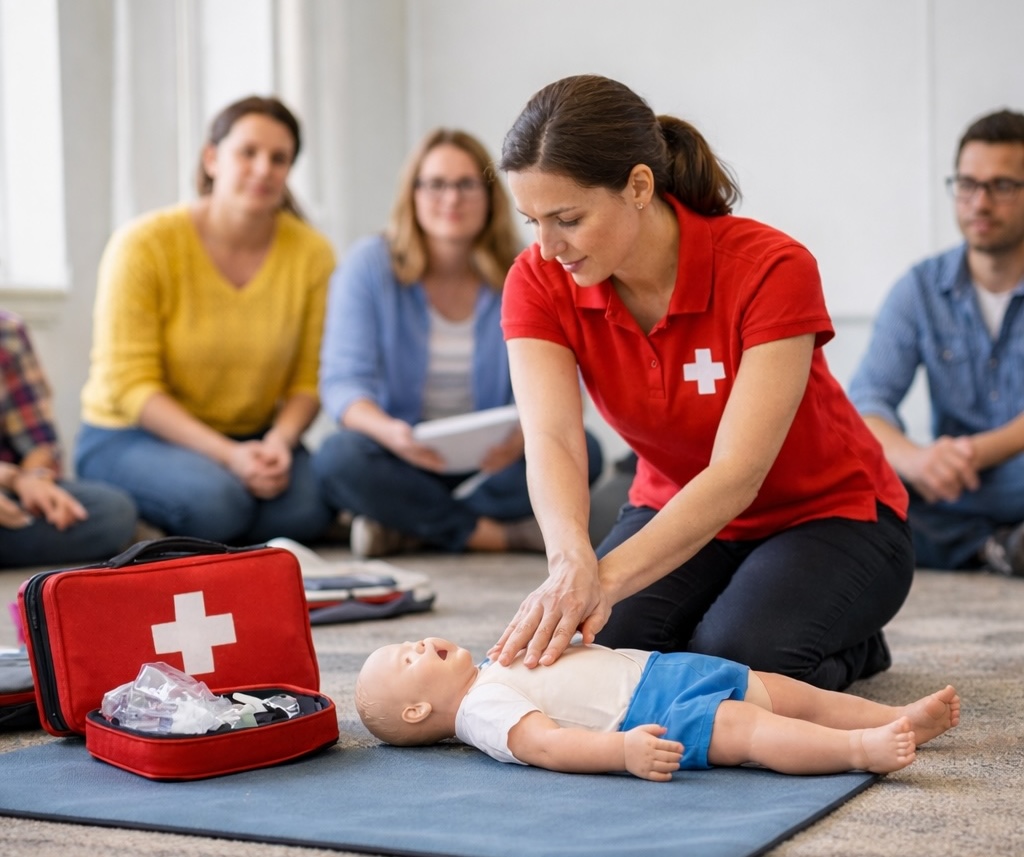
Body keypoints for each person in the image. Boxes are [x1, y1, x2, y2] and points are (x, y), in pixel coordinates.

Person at [490, 74, 914, 691]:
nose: (547, 247)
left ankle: (854, 646)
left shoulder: (771, 268)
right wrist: (569, 563)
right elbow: (553, 438)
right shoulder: (537, 279)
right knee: (597, 652)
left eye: (568, 219)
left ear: (639, 186)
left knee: (737, 660)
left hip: (831, 515)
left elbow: (737, 473)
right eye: (532, 220)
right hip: (671, 507)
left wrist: (597, 584)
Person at [313, 128, 603, 558]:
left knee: (586, 451)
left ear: (490, 197)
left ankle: (412, 527)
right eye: (435, 184)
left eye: (467, 184)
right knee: (338, 459)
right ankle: (493, 535)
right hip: (403, 457)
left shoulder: (525, 271)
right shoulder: (369, 266)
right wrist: (392, 434)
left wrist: (525, 436)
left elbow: (563, 383)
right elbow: (342, 383)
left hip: (494, 461)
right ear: (412, 194)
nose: (451, 198)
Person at [74, 95, 336, 546]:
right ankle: (162, 520)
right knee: (220, 505)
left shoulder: (312, 254)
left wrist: (278, 441)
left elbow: (309, 379)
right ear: (212, 158)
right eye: (247, 152)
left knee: (311, 507)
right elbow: (131, 384)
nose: (263, 169)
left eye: (279, 158)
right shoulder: (143, 244)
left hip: (252, 435)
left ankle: (185, 529)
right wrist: (228, 457)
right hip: (129, 435)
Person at [356, 636, 960, 780]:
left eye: (409, 643)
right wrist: (620, 752)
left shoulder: (489, 668)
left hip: (659, 670)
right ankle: (860, 751)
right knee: (749, 730)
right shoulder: (480, 711)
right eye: (408, 660)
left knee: (784, 691)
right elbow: (546, 744)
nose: (418, 645)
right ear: (417, 712)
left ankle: (891, 714)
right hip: (645, 712)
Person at [848, 109, 1024, 577]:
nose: (979, 203)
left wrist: (972, 454)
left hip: (1002, 472)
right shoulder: (921, 288)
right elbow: (868, 401)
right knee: (853, 491)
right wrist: (918, 460)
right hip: (947, 485)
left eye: (1002, 186)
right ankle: (996, 546)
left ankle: (981, 544)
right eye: (967, 185)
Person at [1, 310, 137, 568]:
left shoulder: (6, 331)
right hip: (9, 479)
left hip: (9, 493)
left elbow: (38, 439)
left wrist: (34, 480)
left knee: (111, 511)